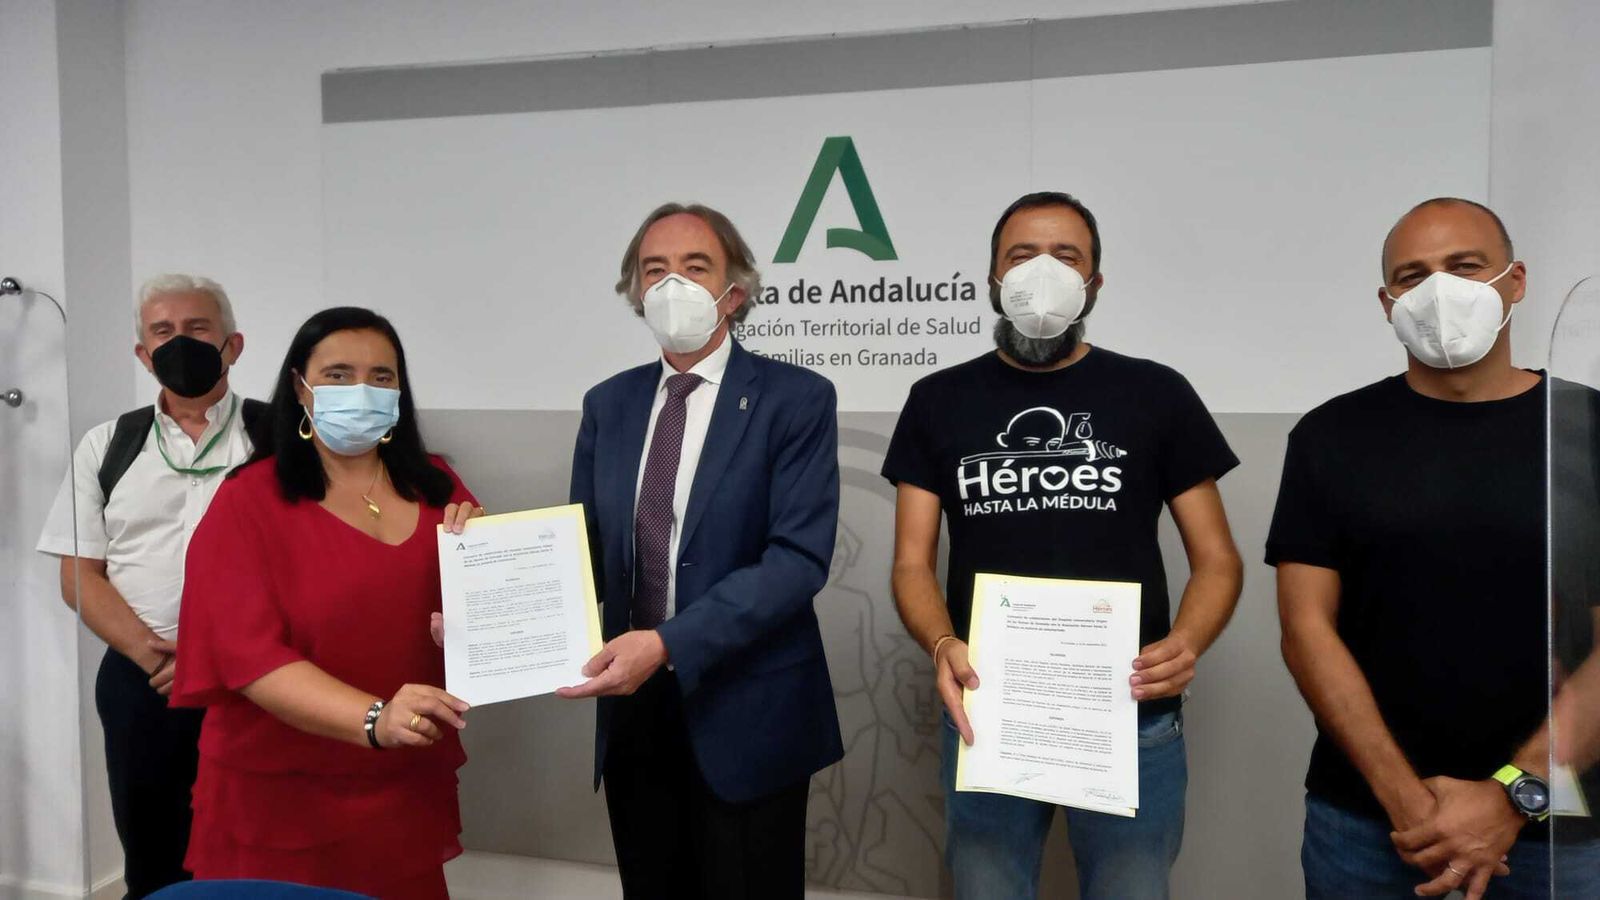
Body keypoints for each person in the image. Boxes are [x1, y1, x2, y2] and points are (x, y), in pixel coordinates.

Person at [881, 191, 1244, 900]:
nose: (1041, 272)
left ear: (1094, 284)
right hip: (987, 706)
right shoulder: (936, 399)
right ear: (991, 277)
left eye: (1066, 256)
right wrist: (938, 644)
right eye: (1021, 256)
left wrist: (1188, 642)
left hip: (1131, 710)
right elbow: (910, 561)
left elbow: (1219, 560)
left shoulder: (1156, 393)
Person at [1269, 197, 1600, 900]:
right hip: (1366, 823)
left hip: (1557, 828)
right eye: (1413, 276)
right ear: (1388, 302)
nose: (1438, 292)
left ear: (1515, 280)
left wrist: (1514, 794)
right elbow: (1305, 629)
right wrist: (1407, 804)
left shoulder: (1589, 428)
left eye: (1464, 266)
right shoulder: (1330, 437)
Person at [561, 202, 843, 899]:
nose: (671, 285)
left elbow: (797, 560)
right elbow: (581, 554)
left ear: (734, 292)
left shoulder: (795, 399)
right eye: (654, 270)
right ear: (635, 293)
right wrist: (486, 614)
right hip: (634, 715)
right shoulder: (609, 404)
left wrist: (666, 642)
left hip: (749, 712)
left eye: (695, 267)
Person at [169, 307, 483, 900]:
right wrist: (373, 718)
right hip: (280, 795)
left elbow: (483, 621)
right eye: (337, 374)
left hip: (403, 781)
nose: (361, 391)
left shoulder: (440, 488)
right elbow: (248, 658)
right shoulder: (247, 503)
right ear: (300, 387)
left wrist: (487, 584)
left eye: (381, 377)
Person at [36, 274, 259, 898]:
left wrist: (218, 659)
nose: (179, 343)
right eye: (163, 332)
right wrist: (154, 654)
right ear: (142, 353)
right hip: (143, 681)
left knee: (255, 853)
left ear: (232, 345)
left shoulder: (280, 441)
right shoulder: (107, 445)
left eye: (197, 329)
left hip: (260, 682)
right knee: (155, 853)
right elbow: (79, 574)